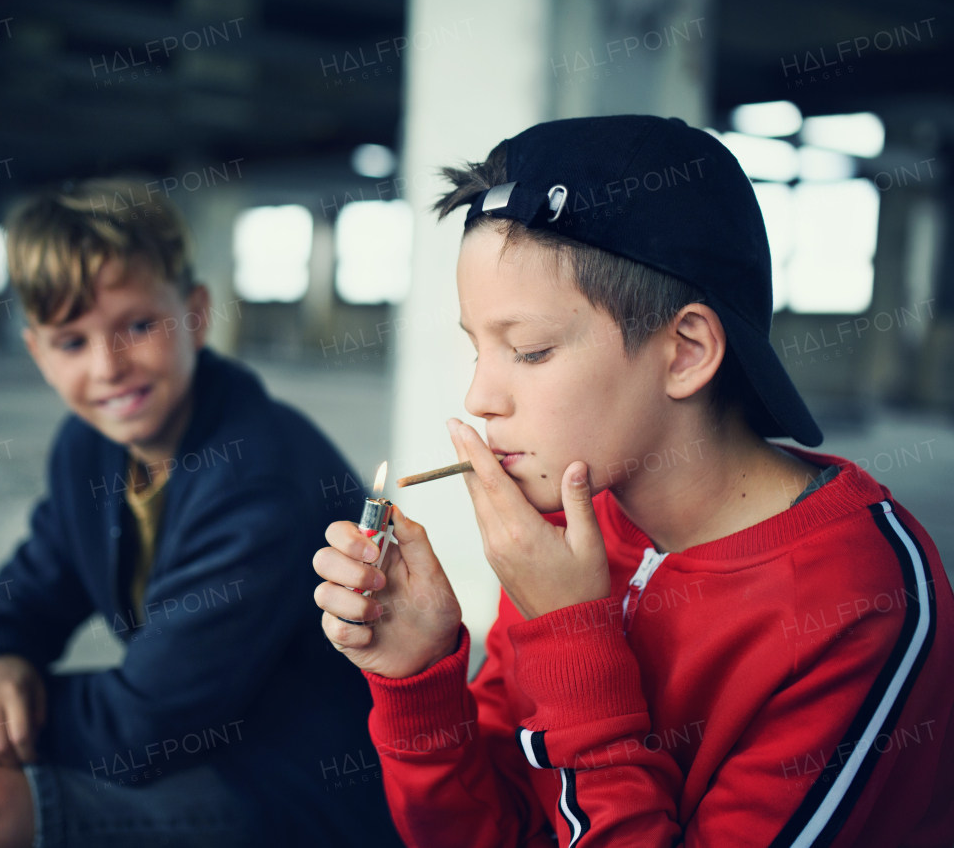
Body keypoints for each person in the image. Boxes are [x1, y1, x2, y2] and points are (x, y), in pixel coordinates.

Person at [312, 115, 954, 846]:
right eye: (476, 347)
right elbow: (492, 831)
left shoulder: (863, 600)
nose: (479, 398)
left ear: (684, 352)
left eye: (529, 349)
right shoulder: (566, 524)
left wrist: (574, 638)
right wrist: (422, 677)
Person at [0, 180, 403, 848]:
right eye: (71, 341)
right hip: (195, 736)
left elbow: (141, 729)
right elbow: (32, 587)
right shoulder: (92, 446)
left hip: (298, 786)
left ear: (197, 313)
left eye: (139, 325)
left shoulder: (256, 474)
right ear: (38, 352)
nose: (109, 367)